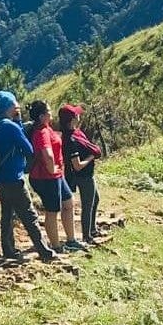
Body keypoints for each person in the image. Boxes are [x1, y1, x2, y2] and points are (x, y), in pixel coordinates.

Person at [0, 91, 55, 263]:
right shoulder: (10, 126)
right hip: (14, 176)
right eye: (14, 106)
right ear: (9, 106)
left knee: (7, 214)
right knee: (29, 215)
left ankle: (8, 249)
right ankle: (45, 251)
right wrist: (18, 120)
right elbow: (29, 149)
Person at [25, 99, 80, 252]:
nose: (51, 113)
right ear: (42, 116)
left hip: (56, 176)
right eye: (48, 111)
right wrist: (52, 168)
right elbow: (47, 155)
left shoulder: (45, 128)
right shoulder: (42, 132)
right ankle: (56, 246)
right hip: (47, 178)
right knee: (52, 210)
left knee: (68, 202)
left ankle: (71, 240)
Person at [60, 104, 106, 246]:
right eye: (76, 114)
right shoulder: (70, 140)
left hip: (88, 174)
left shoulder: (76, 132)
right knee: (88, 205)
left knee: (95, 200)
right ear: (72, 119)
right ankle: (87, 236)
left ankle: (92, 229)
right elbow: (77, 165)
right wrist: (92, 156)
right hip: (83, 176)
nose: (79, 116)